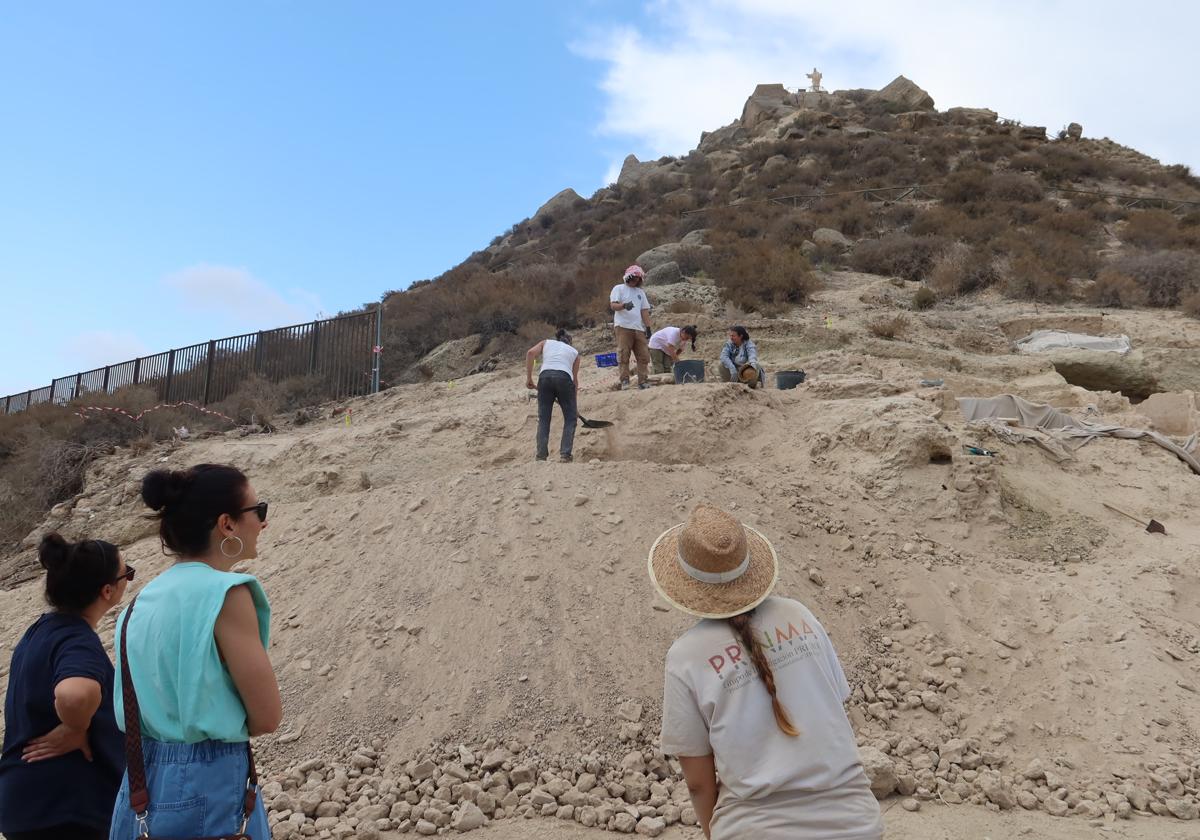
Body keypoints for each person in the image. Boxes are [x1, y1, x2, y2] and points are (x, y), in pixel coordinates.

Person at [647, 504, 884, 840]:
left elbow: (699, 783)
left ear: (684, 581)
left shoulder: (685, 657)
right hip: (857, 825)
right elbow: (834, 709)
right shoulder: (800, 615)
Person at [108, 464, 280, 840]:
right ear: (227, 524)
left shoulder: (137, 604)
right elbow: (267, 717)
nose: (263, 523)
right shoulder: (228, 594)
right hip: (208, 784)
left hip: (137, 786)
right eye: (259, 511)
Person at [0, 534, 132, 840]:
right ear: (108, 590)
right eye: (128, 573)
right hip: (67, 809)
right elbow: (74, 694)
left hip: (27, 804)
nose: (129, 579)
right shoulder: (77, 640)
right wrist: (76, 727)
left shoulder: (39, 632)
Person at [526, 328, 581, 463]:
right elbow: (574, 381)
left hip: (544, 378)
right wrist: (574, 406)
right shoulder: (574, 353)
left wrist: (529, 378)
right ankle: (565, 455)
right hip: (564, 379)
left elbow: (530, 353)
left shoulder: (546, 343)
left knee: (544, 418)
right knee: (570, 419)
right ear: (570, 342)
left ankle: (541, 456)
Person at [609, 264, 653, 390]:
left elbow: (644, 311)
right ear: (628, 277)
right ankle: (625, 381)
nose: (635, 281)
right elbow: (613, 305)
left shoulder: (640, 292)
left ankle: (643, 381)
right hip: (623, 326)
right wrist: (623, 306)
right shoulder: (619, 288)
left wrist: (648, 327)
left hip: (638, 328)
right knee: (624, 354)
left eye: (638, 279)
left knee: (643, 355)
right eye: (634, 278)